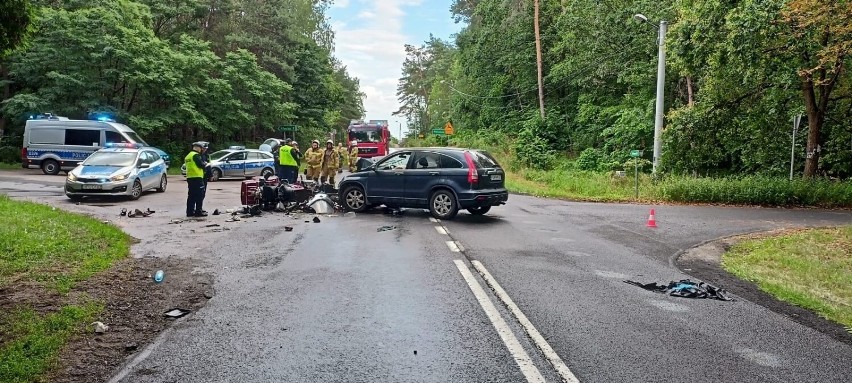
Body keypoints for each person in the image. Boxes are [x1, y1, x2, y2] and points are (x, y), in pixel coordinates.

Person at [185, 142, 208, 217]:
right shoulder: (196, 155)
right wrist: (205, 164)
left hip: (190, 177)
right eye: (201, 148)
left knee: (191, 195)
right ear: (198, 148)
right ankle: (198, 211)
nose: (202, 150)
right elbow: (201, 164)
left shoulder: (188, 155)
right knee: (200, 195)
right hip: (197, 178)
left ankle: (190, 212)